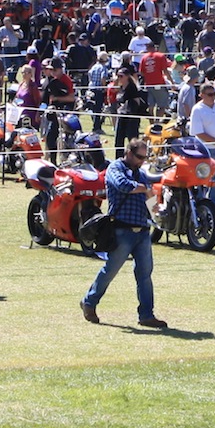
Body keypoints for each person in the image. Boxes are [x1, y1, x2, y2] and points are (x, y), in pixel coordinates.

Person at [81, 139, 169, 328]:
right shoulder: (115, 168)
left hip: (142, 231)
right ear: (128, 152)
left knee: (145, 274)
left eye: (144, 158)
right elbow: (123, 185)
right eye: (139, 157)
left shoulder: (141, 174)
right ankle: (89, 302)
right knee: (110, 270)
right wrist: (145, 189)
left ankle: (146, 314)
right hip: (122, 230)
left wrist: (156, 209)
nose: (141, 161)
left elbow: (150, 200)